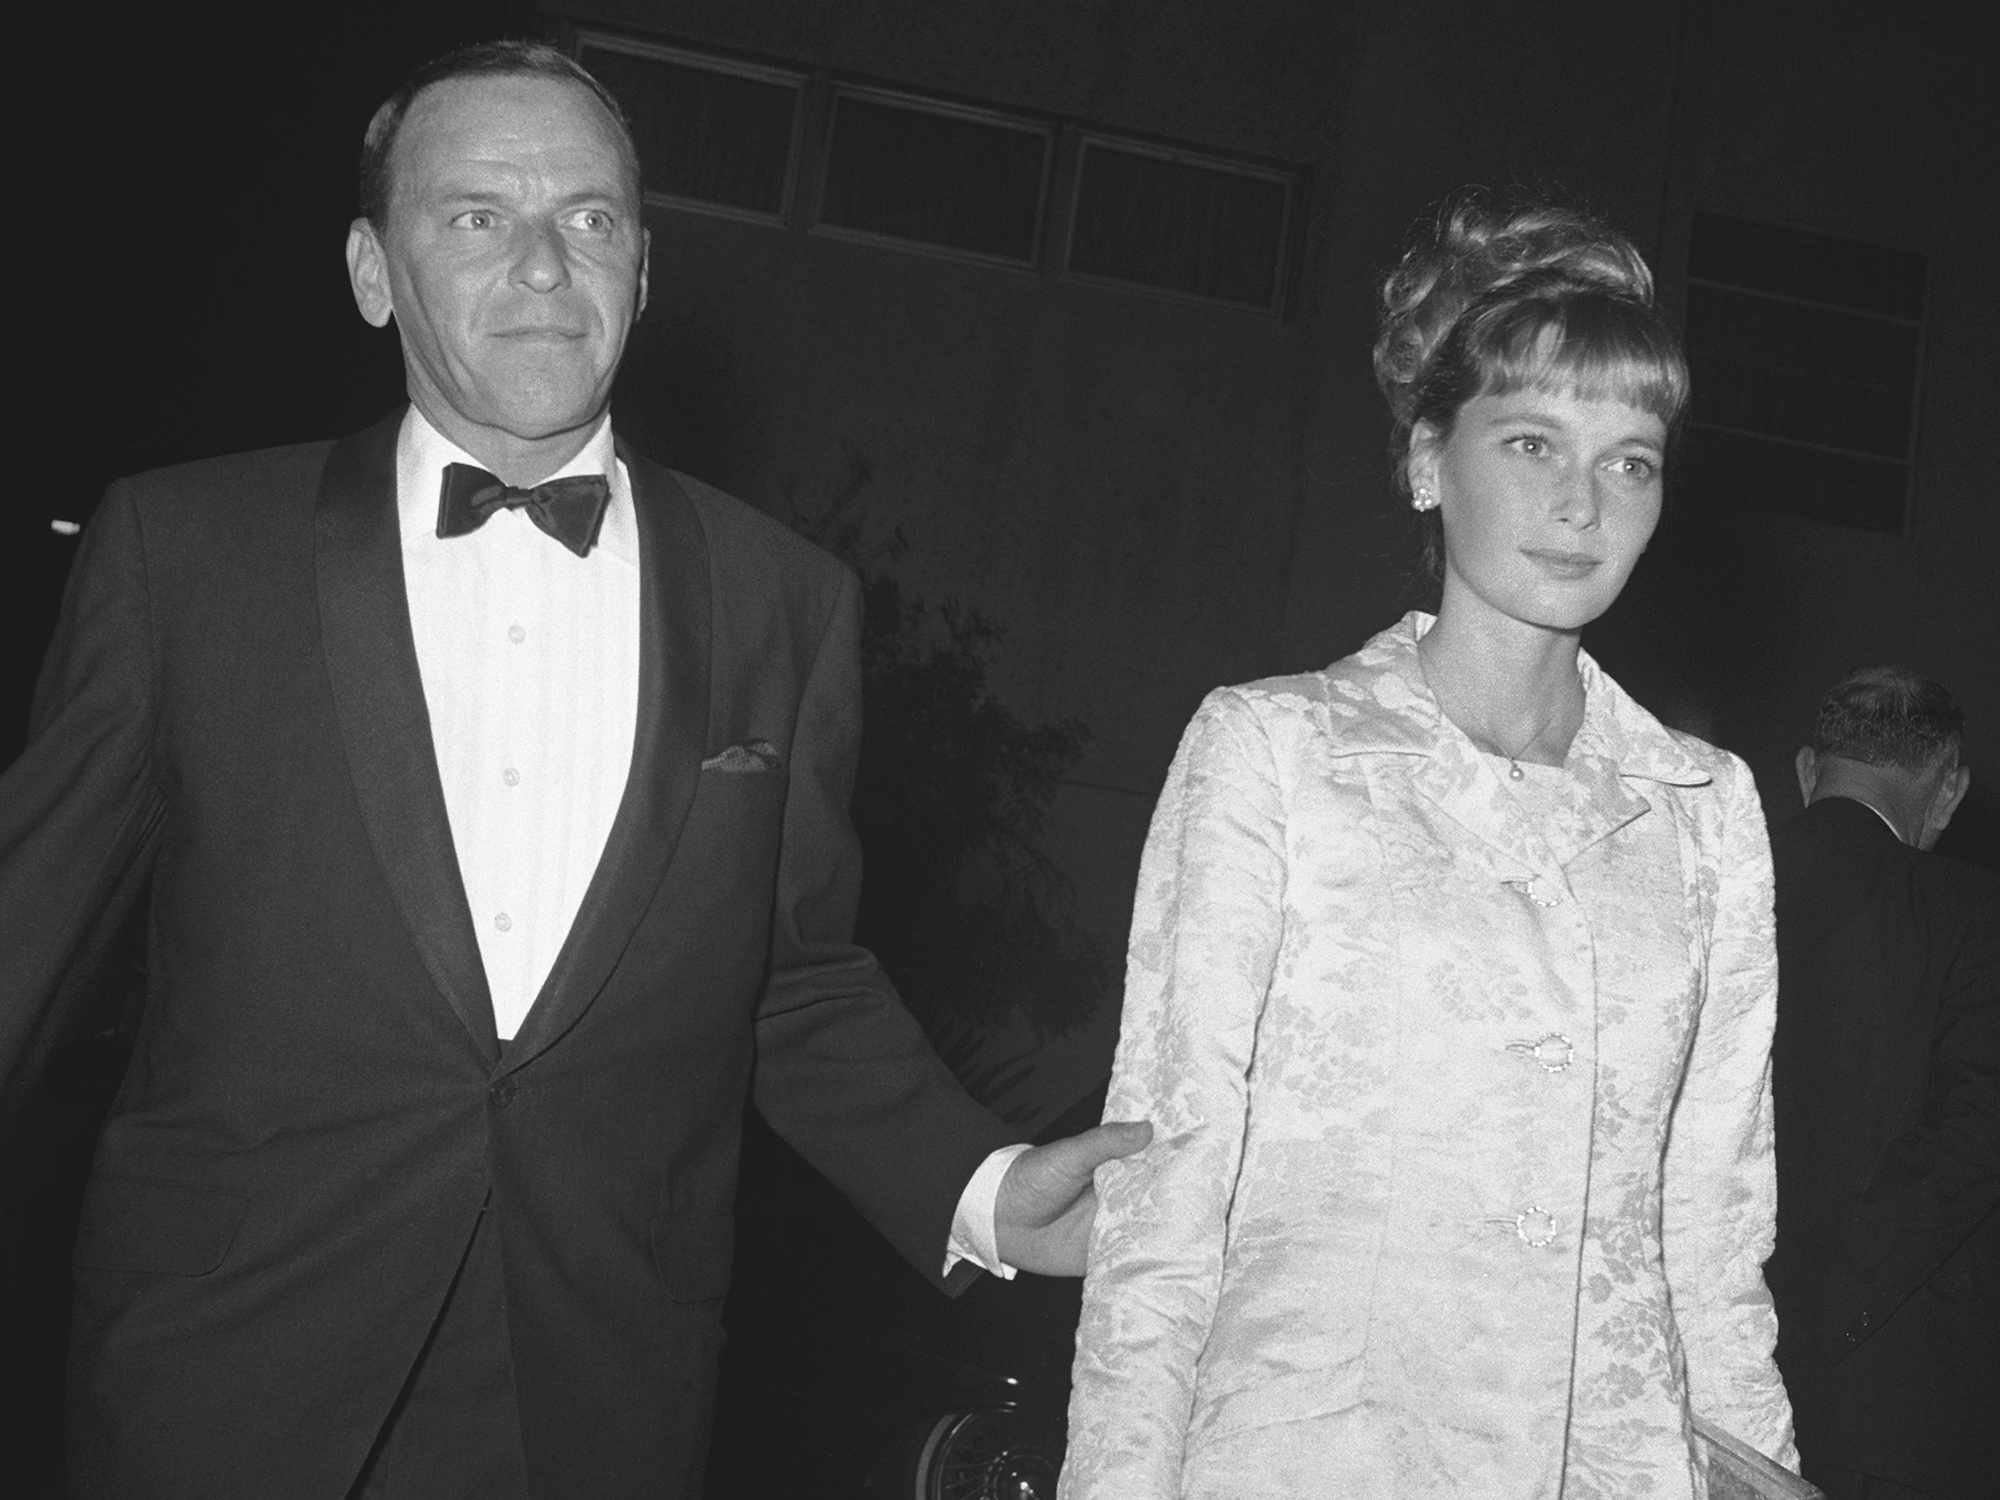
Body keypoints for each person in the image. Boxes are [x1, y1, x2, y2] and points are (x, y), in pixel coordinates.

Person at [0, 40, 1146, 1500]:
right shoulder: (185, 554)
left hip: (595, 1398)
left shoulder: (784, 599)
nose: (546, 264)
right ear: (371, 269)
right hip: (221, 1378)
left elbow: (789, 980)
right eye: (477, 213)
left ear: (647, 271)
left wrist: (984, 1191)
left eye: (590, 218)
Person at [1059, 190, 1799, 1498]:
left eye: (1630, 460)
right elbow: (1159, 1218)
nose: (1583, 505)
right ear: (1424, 458)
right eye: (1531, 443)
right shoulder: (1271, 752)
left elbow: (1710, 1236)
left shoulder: (1707, 810)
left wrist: (1764, 1468)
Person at [1767, 667, 1999, 1500]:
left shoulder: (1720, 882)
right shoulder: (1976, 915)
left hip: (1707, 1371)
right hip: (1898, 1402)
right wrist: (1828, 1311)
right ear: (1948, 791)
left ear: (1805, 768)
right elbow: (1974, 1138)